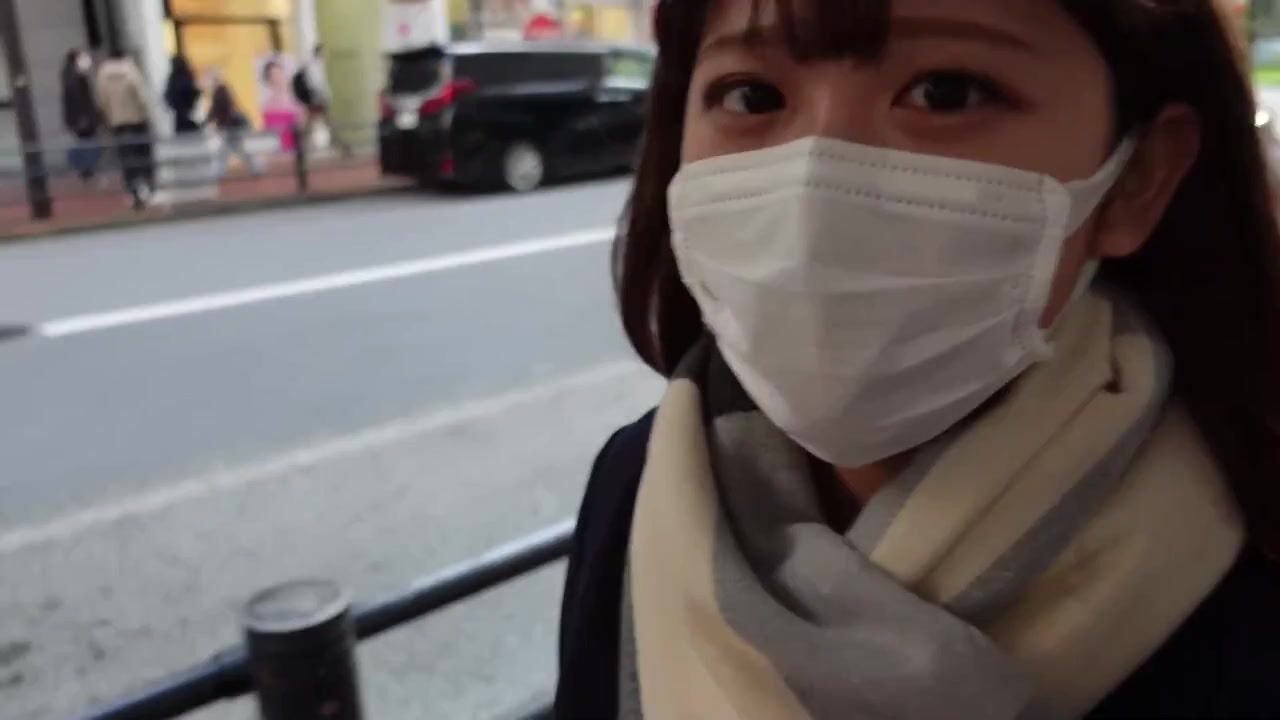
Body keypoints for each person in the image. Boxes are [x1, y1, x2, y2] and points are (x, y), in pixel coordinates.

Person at [556, 1, 1280, 719]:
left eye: (946, 92)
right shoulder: (640, 485)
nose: (815, 179)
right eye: (752, 95)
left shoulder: (1253, 553)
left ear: (1138, 176)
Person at [95, 49, 155, 209]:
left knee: (127, 159)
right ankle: (146, 188)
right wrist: (146, 114)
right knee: (143, 156)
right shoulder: (130, 70)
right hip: (137, 121)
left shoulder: (102, 75)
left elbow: (102, 101)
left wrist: (109, 118)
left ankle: (132, 189)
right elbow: (141, 96)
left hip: (118, 123)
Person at [206, 73, 263, 178]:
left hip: (236, 137)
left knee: (246, 155)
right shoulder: (218, 107)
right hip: (227, 138)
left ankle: (257, 169)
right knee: (222, 157)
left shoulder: (231, 110)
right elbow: (209, 121)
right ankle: (256, 169)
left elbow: (246, 124)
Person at [60, 48, 100, 182]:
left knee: (84, 143)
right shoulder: (75, 78)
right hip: (83, 118)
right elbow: (79, 100)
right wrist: (84, 117)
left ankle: (86, 171)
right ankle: (87, 171)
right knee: (87, 143)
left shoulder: (70, 76)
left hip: (79, 118)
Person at [292, 44, 334, 151]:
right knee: (319, 121)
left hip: (315, 98)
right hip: (316, 99)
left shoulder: (314, 64)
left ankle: (303, 144)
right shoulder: (315, 65)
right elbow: (316, 84)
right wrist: (322, 97)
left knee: (315, 121)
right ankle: (302, 144)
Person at [260, 57, 301, 151]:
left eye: (279, 74)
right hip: (276, 153)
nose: (278, 78)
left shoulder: (296, 102)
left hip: (295, 152)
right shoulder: (266, 107)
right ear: (269, 80)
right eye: (273, 76)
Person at [164, 55, 201, 135]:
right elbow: (193, 92)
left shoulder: (173, 78)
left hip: (181, 114)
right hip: (186, 113)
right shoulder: (185, 76)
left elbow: (167, 96)